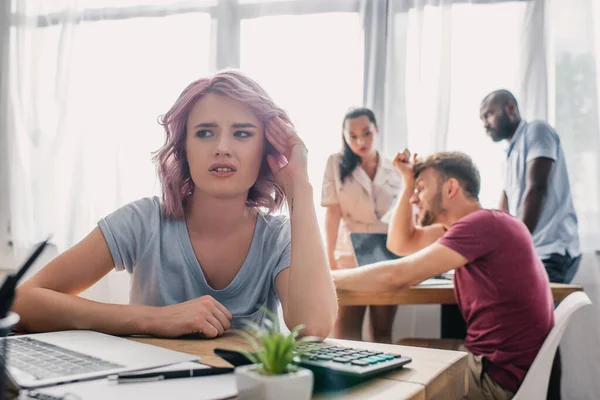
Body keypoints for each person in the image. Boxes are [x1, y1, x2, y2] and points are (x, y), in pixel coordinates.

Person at [13, 70, 338, 339]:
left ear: (265, 149)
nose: (223, 148)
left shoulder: (279, 236)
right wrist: (155, 319)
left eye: (242, 134)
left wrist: (300, 185)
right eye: (205, 133)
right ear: (183, 148)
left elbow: (314, 328)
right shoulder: (142, 221)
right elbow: (21, 301)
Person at [332, 151, 554, 399]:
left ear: (450, 188)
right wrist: (408, 183)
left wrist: (328, 278)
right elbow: (399, 243)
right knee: (402, 347)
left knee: (387, 369)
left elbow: (398, 275)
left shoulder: (479, 225)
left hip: (492, 377)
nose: (415, 199)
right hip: (503, 367)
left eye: (422, 188)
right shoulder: (484, 223)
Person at [480, 89, 581, 284]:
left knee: (533, 313)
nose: (485, 123)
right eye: (482, 118)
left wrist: (517, 243)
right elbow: (505, 208)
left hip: (553, 252)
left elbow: (536, 188)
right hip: (535, 251)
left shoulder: (536, 131)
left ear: (510, 108)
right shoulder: (509, 154)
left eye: (489, 114)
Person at [321, 107, 403, 343]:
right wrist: (330, 259)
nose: (360, 141)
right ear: (344, 136)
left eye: (366, 133)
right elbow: (332, 214)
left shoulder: (395, 169)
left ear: (377, 130)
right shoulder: (335, 163)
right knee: (346, 331)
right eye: (353, 135)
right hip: (348, 255)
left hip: (387, 254)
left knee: (382, 330)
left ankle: (387, 378)